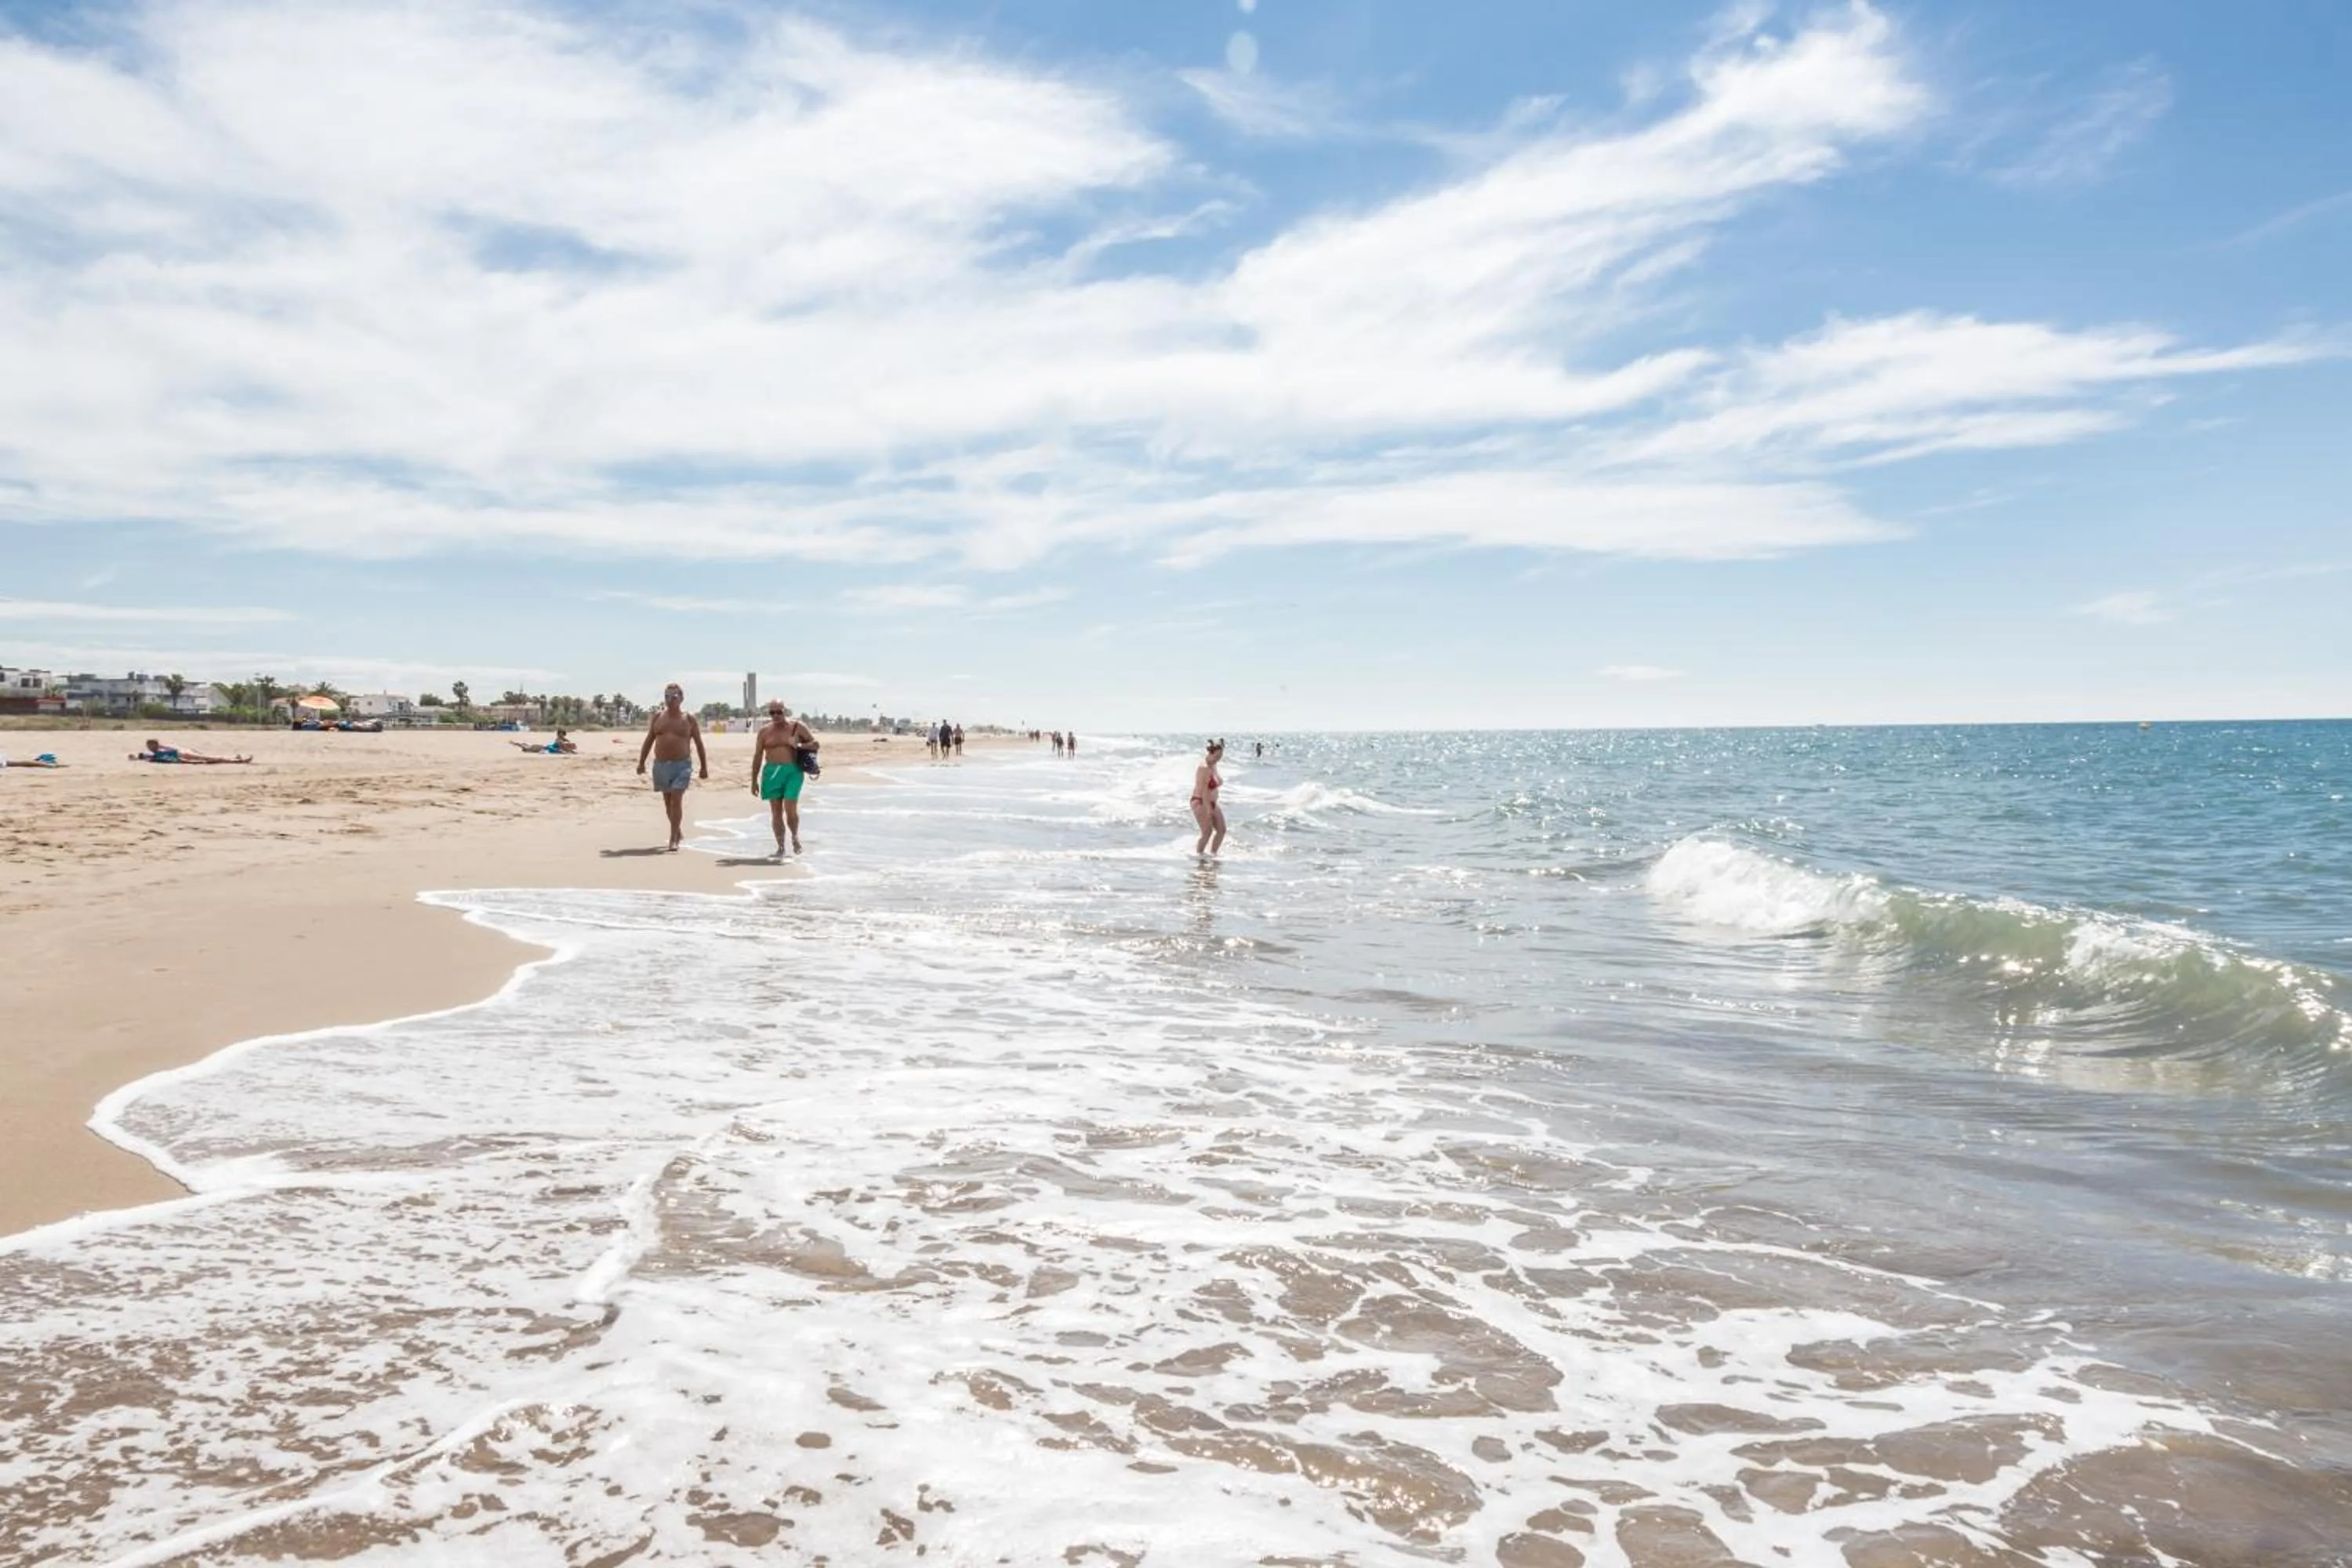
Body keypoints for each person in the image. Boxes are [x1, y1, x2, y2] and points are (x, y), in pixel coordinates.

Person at [635, 684, 707, 851]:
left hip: (682, 765)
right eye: (667, 696)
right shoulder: (658, 717)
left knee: (676, 797)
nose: (670, 700)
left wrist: (704, 767)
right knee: (668, 803)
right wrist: (641, 762)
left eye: (674, 697)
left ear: (681, 698)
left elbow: (699, 743)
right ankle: (677, 830)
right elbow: (649, 740)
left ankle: (673, 838)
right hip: (661, 765)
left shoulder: (689, 719)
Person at [750, 699, 818, 857]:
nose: (775, 715)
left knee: (790, 807)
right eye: (772, 712)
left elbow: (816, 745)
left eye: (779, 712)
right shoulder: (764, 731)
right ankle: (781, 846)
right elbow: (758, 755)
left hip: (793, 771)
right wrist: (753, 780)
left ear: (785, 711)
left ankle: (795, 837)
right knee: (776, 812)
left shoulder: (797, 727)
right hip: (772, 773)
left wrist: (798, 745)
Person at [1190, 738, 1227, 855]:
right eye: (1217, 756)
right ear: (1210, 753)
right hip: (1200, 801)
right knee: (1207, 832)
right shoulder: (1204, 768)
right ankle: (1199, 856)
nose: (1218, 759)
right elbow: (1204, 792)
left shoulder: (1213, 765)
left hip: (1212, 802)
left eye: (1220, 756)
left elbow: (1216, 782)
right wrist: (1208, 810)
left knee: (1221, 830)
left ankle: (1213, 855)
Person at [130, 738, 251, 764]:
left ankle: (236, 760)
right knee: (211, 758)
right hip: (184, 753)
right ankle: (235, 760)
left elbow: (176, 758)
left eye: (149, 746)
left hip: (184, 753)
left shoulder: (160, 751)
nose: (148, 748)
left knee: (211, 758)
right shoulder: (161, 750)